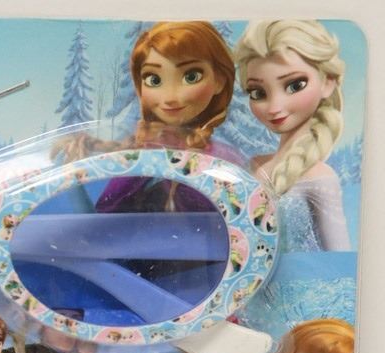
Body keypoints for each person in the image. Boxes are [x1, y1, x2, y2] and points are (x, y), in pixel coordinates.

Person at [95, 21, 239, 213]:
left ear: (219, 80)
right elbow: (106, 209)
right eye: (154, 80)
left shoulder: (223, 159)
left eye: (191, 76)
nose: (170, 97)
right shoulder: (142, 152)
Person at [234, 20, 350, 251]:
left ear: (327, 82)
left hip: (304, 274)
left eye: (295, 85)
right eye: (258, 93)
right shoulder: (253, 166)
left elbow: (340, 256)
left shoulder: (320, 178)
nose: (274, 107)